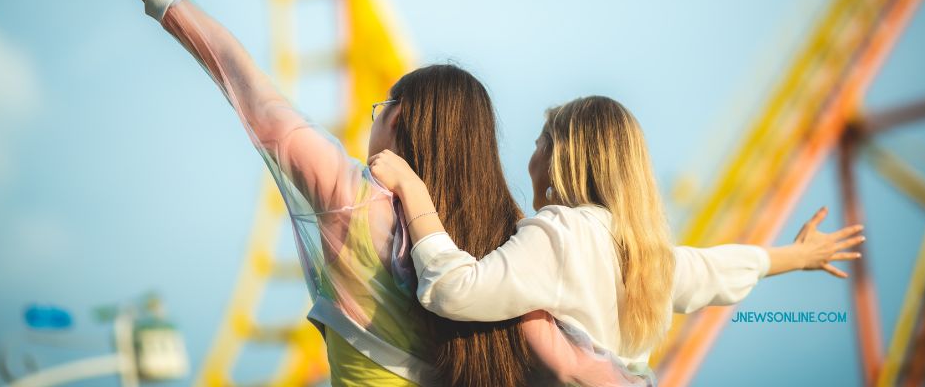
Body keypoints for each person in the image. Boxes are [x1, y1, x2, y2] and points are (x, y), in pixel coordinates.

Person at [75, 0, 649, 387]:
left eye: (381, 107)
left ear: (398, 118)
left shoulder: (347, 197)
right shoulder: (501, 241)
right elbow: (575, 365)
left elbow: (239, 75)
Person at [368, 95, 867, 379]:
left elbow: (454, 290)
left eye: (540, 144)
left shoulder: (561, 235)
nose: (531, 158)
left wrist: (413, 189)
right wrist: (796, 255)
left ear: (562, 157)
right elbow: (715, 270)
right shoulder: (642, 253)